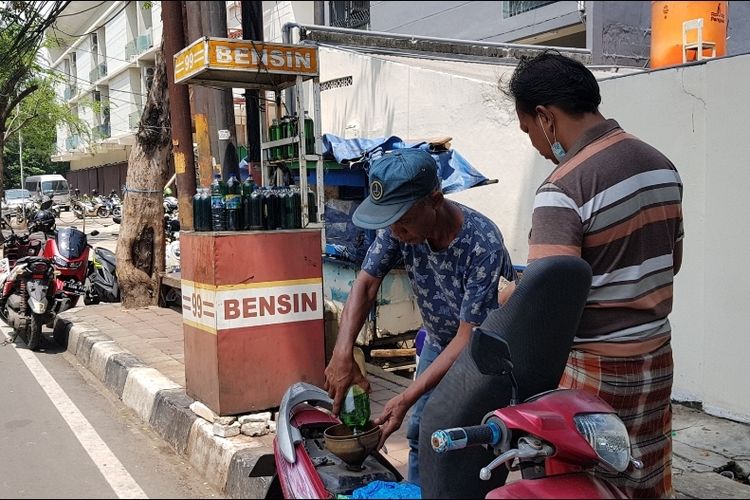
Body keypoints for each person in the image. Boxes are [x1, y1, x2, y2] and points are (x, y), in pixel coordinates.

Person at [501, 51, 683, 499]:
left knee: (581, 483)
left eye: (528, 131)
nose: (536, 146)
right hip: (656, 359)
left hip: (593, 370)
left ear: (545, 117)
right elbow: (670, 262)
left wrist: (511, 296)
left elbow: (547, 306)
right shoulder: (662, 166)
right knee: (642, 474)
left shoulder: (563, 188)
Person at [323, 148, 516, 485]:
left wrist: (406, 396)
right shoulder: (400, 228)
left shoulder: (482, 243)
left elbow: (469, 335)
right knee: (419, 432)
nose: (396, 231)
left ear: (435, 200)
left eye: (404, 219)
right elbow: (366, 284)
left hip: (484, 354)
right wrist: (342, 353)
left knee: (475, 442)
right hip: (441, 342)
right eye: (390, 221)